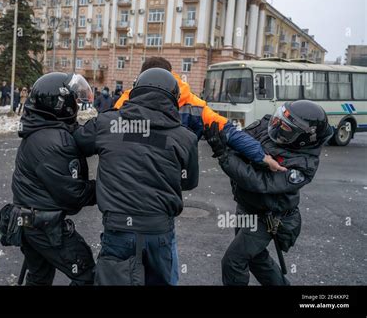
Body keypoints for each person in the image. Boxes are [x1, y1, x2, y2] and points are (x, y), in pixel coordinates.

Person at [73, 68, 199, 285]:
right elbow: (188, 181)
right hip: (159, 230)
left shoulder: (106, 123)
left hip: (119, 229)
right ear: (173, 98)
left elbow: (78, 142)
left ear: (136, 91)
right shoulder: (185, 137)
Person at [205, 100, 333, 286]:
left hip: (269, 217)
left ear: (302, 137)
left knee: (234, 261)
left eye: (286, 127)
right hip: (247, 206)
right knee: (255, 259)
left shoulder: (303, 165)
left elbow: (258, 182)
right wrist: (223, 134)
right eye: (279, 120)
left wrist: (224, 155)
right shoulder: (271, 125)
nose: (277, 126)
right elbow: (241, 139)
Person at [114, 57, 285, 172]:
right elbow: (229, 132)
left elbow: (105, 132)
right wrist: (262, 156)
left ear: (141, 77)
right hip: (170, 175)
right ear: (172, 75)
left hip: (129, 171)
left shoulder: (127, 100)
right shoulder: (194, 105)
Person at [12, 72, 96, 286]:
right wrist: (107, 188)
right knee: (86, 273)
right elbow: (73, 195)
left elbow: (76, 135)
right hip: (44, 225)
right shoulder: (53, 140)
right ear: (61, 103)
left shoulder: (43, 127)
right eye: (73, 99)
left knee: (39, 276)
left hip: (29, 220)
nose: (76, 103)